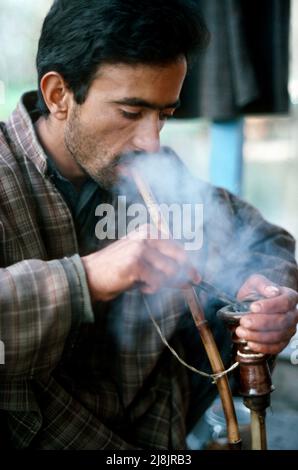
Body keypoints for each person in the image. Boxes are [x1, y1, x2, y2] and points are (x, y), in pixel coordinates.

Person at [0, 0, 297, 450]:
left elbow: (269, 241)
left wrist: (268, 297)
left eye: (165, 114)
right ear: (59, 94)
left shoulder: (154, 176)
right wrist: (89, 277)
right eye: (130, 112)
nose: (151, 142)